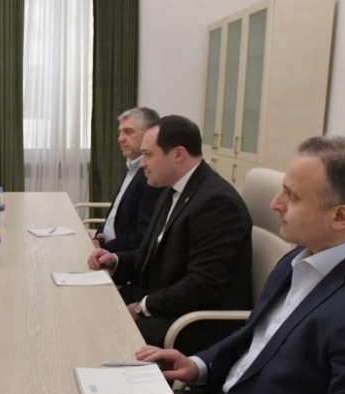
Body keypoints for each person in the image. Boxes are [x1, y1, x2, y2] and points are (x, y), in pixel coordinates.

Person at [136, 135, 345, 394]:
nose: (276, 204)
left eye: (292, 196)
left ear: (341, 216)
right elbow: (258, 336)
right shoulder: (301, 256)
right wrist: (198, 365)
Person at [88, 115, 252, 347]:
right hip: (166, 301)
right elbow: (155, 254)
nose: (142, 163)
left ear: (178, 155)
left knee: (102, 333)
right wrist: (115, 260)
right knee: (89, 304)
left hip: (194, 322)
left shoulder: (217, 203)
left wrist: (143, 306)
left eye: (148, 155)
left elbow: (201, 285)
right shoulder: (172, 189)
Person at [92, 107, 163, 252]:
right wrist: (98, 238)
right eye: (120, 132)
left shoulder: (152, 175)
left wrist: (105, 249)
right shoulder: (132, 166)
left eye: (128, 132)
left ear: (150, 134)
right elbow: (114, 216)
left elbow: (142, 237)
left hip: (120, 257)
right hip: (105, 246)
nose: (120, 139)